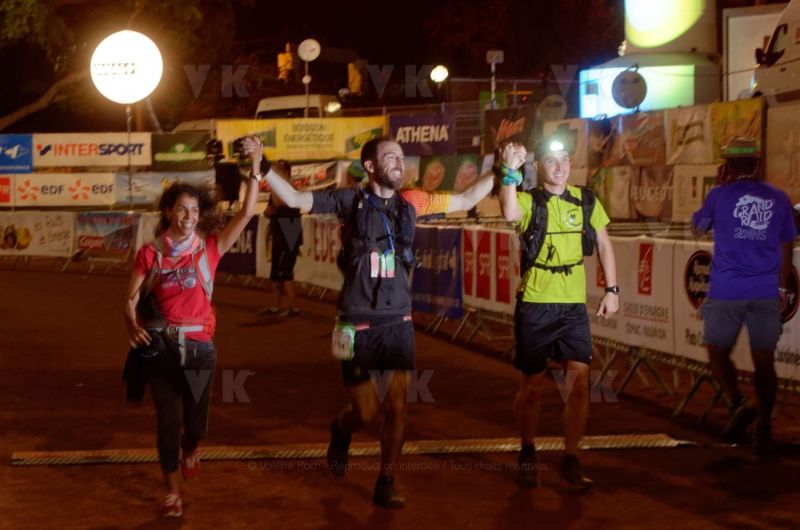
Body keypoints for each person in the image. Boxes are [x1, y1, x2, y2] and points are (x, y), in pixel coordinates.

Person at [246, 135, 494, 508]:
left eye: (401, 156)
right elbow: (296, 200)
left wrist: (505, 172)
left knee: (397, 407)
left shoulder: (412, 200)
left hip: (398, 321)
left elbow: (464, 200)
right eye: (390, 157)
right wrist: (263, 166)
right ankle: (340, 429)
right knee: (364, 412)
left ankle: (386, 479)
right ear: (372, 166)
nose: (400, 162)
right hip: (352, 322)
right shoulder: (350, 200)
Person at [123, 161, 260, 517]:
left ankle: (191, 447)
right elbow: (130, 299)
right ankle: (172, 493)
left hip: (200, 350)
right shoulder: (150, 254)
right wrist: (130, 324)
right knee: (166, 420)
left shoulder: (209, 250)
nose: (188, 216)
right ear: (168, 211)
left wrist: (256, 170)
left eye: (195, 210)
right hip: (162, 350)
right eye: (182, 209)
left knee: (195, 424)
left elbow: (246, 213)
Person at [498, 137, 619, 490]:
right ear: (538, 167)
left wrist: (613, 290)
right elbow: (507, 212)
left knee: (579, 385)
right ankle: (527, 451)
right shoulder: (528, 200)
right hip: (536, 303)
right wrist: (509, 172)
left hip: (573, 307)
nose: (561, 166)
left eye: (565, 159)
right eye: (552, 160)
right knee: (533, 386)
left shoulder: (585, 200)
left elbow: (604, 243)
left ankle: (571, 457)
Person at [691, 137, 797, 454]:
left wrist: (720, 189)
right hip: (765, 291)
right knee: (764, 360)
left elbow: (697, 229)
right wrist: (781, 286)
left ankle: (738, 402)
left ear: (726, 166)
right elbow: (787, 243)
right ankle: (764, 427)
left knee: (716, 351)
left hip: (727, 290)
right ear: (757, 163)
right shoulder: (778, 197)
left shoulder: (718, 195)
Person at [259, 160, 302, 317]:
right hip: (281, 232)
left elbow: (278, 203)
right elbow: (269, 210)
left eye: (277, 168)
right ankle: (275, 306)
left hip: (288, 231)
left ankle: (294, 307)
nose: (273, 171)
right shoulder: (278, 186)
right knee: (277, 271)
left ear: (284, 171)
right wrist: (268, 212)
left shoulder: (286, 185)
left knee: (286, 271)